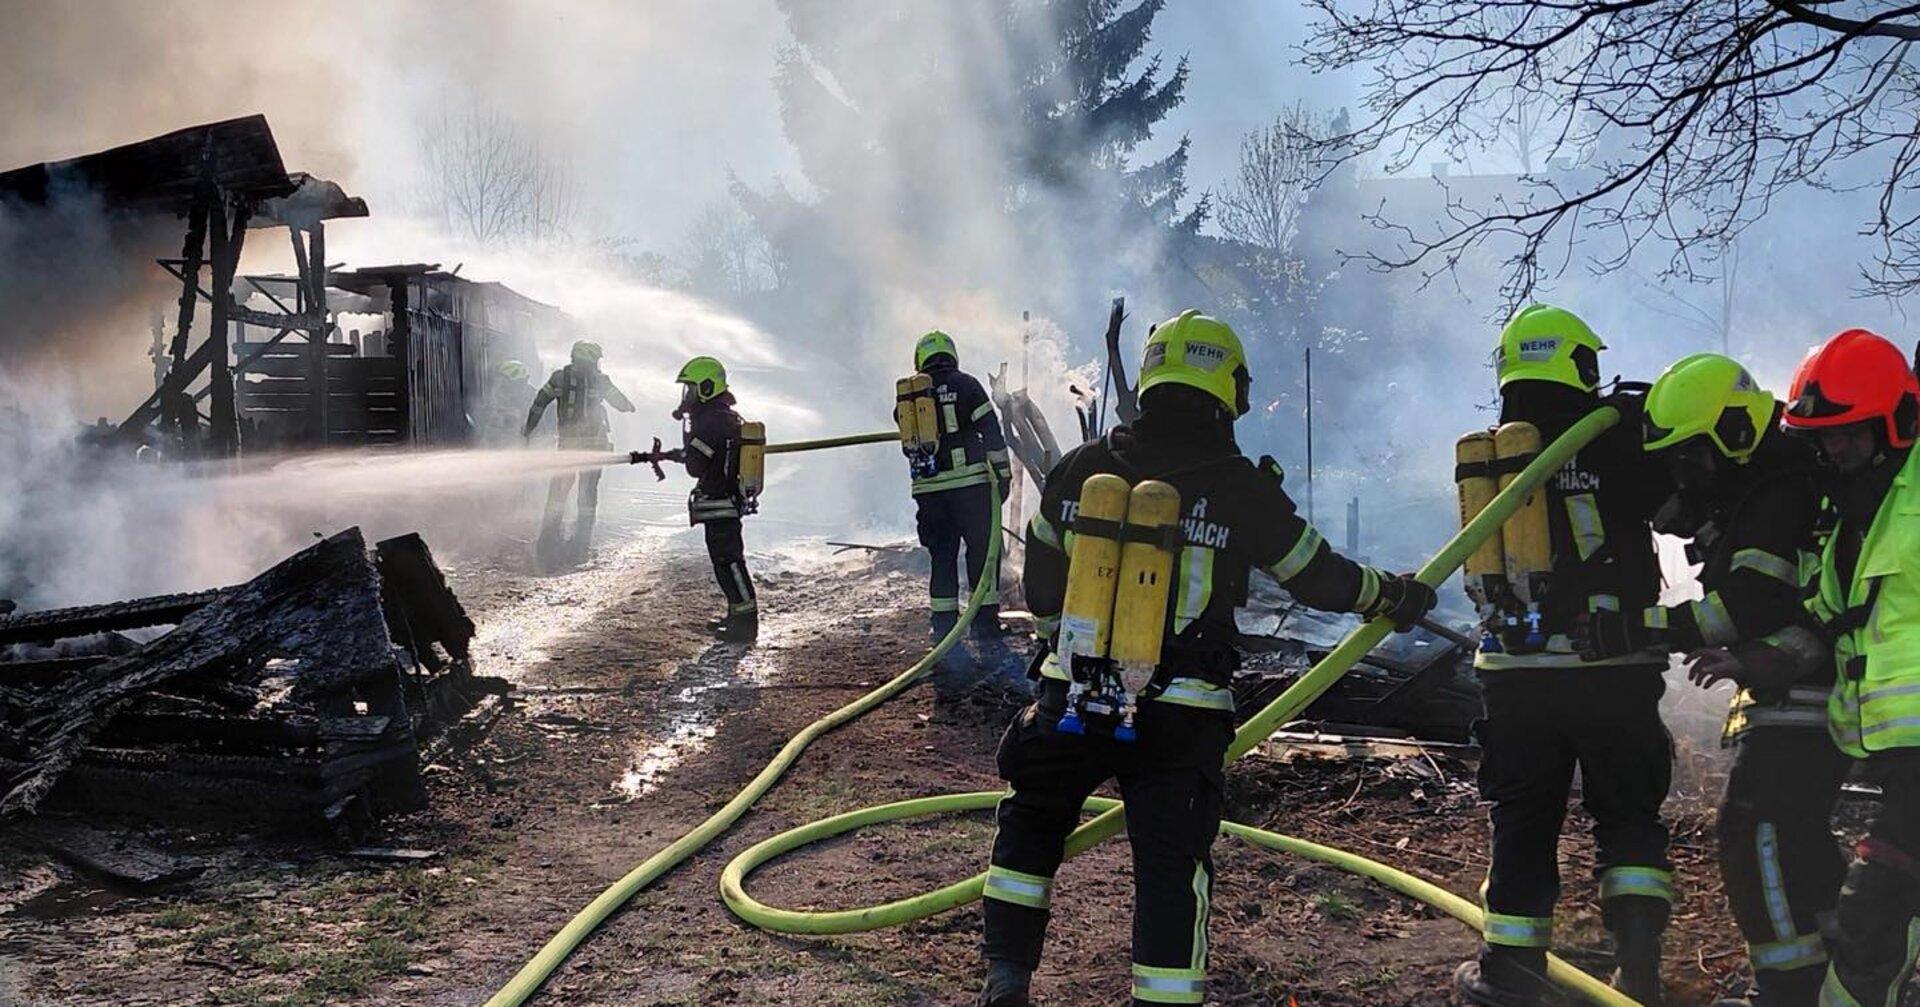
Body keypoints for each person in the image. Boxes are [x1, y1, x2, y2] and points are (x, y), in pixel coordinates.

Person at [978, 309, 1436, 1007]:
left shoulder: (1080, 468)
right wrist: (1391, 594)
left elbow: (1040, 562)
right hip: (1179, 717)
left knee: (1030, 828)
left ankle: (1006, 979)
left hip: (1069, 701)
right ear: (1228, 389)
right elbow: (1317, 575)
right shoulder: (1238, 486)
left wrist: (1054, 641)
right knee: (1169, 871)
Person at [1576, 353, 1839, 1007]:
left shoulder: (1778, 493)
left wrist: (1637, 629)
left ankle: (1787, 989)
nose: (1686, 478)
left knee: (1755, 830)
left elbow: (1739, 606)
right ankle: (1842, 970)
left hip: (1806, 686)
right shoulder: (1769, 483)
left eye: (1693, 460)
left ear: (1737, 431)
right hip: (1802, 678)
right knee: (1798, 834)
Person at [1455, 304, 1676, 1007]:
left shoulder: (1492, 457)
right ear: (1579, 364)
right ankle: (1637, 967)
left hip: (1516, 675)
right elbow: (1679, 505)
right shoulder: (1621, 438)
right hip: (1613, 668)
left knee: (1522, 820)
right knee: (1629, 819)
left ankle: (1510, 974)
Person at [1695, 329, 1920, 1007]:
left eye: (1851, 432)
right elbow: (1825, 623)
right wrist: (1752, 658)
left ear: (1900, 421)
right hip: (1895, 755)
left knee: (1872, 919)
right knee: (1877, 914)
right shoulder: (1854, 516)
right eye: (1824, 436)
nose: (1834, 449)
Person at [905, 330, 1013, 638]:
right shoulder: (967, 385)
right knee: (981, 551)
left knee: (942, 555)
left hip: (929, 492)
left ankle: (943, 626)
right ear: (952, 355)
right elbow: (992, 433)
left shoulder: (910, 398)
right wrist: (1003, 475)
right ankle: (985, 624)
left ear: (920, 359)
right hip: (971, 487)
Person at [524, 340, 634, 567]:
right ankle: (580, 548)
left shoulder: (559, 378)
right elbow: (622, 404)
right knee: (587, 498)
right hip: (594, 452)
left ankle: (547, 546)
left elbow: (539, 403)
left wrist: (528, 429)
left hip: (567, 450)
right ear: (593, 359)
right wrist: (628, 404)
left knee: (557, 497)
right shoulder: (601, 381)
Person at [675, 356, 758, 643]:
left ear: (707, 388)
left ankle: (745, 624)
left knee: (729, 562)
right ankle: (737, 616)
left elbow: (695, 466)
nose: (688, 396)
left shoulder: (710, 421)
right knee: (726, 561)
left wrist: (687, 441)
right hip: (724, 500)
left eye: (692, 389)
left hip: (720, 502)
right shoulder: (722, 417)